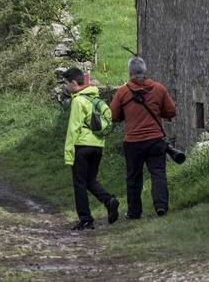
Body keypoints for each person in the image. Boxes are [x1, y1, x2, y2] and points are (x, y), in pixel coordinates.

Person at [111, 57, 177, 220]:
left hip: (133, 141)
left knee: (133, 176)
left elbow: (113, 116)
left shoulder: (123, 92)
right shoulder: (159, 89)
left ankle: (134, 212)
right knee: (158, 173)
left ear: (130, 72)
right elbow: (171, 111)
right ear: (145, 71)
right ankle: (161, 206)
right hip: (155, 140)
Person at [63, 67, 119, 232]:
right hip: (98, 146)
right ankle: (109, 201)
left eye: (66, 83)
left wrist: (68, 154)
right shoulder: (97, 100)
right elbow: (109, 118)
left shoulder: (78, 101)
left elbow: (73, 129)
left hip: (82, 146)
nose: (65, 87)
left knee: (79, 184)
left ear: (74, 83)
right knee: (90, 180)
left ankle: (86, 219)